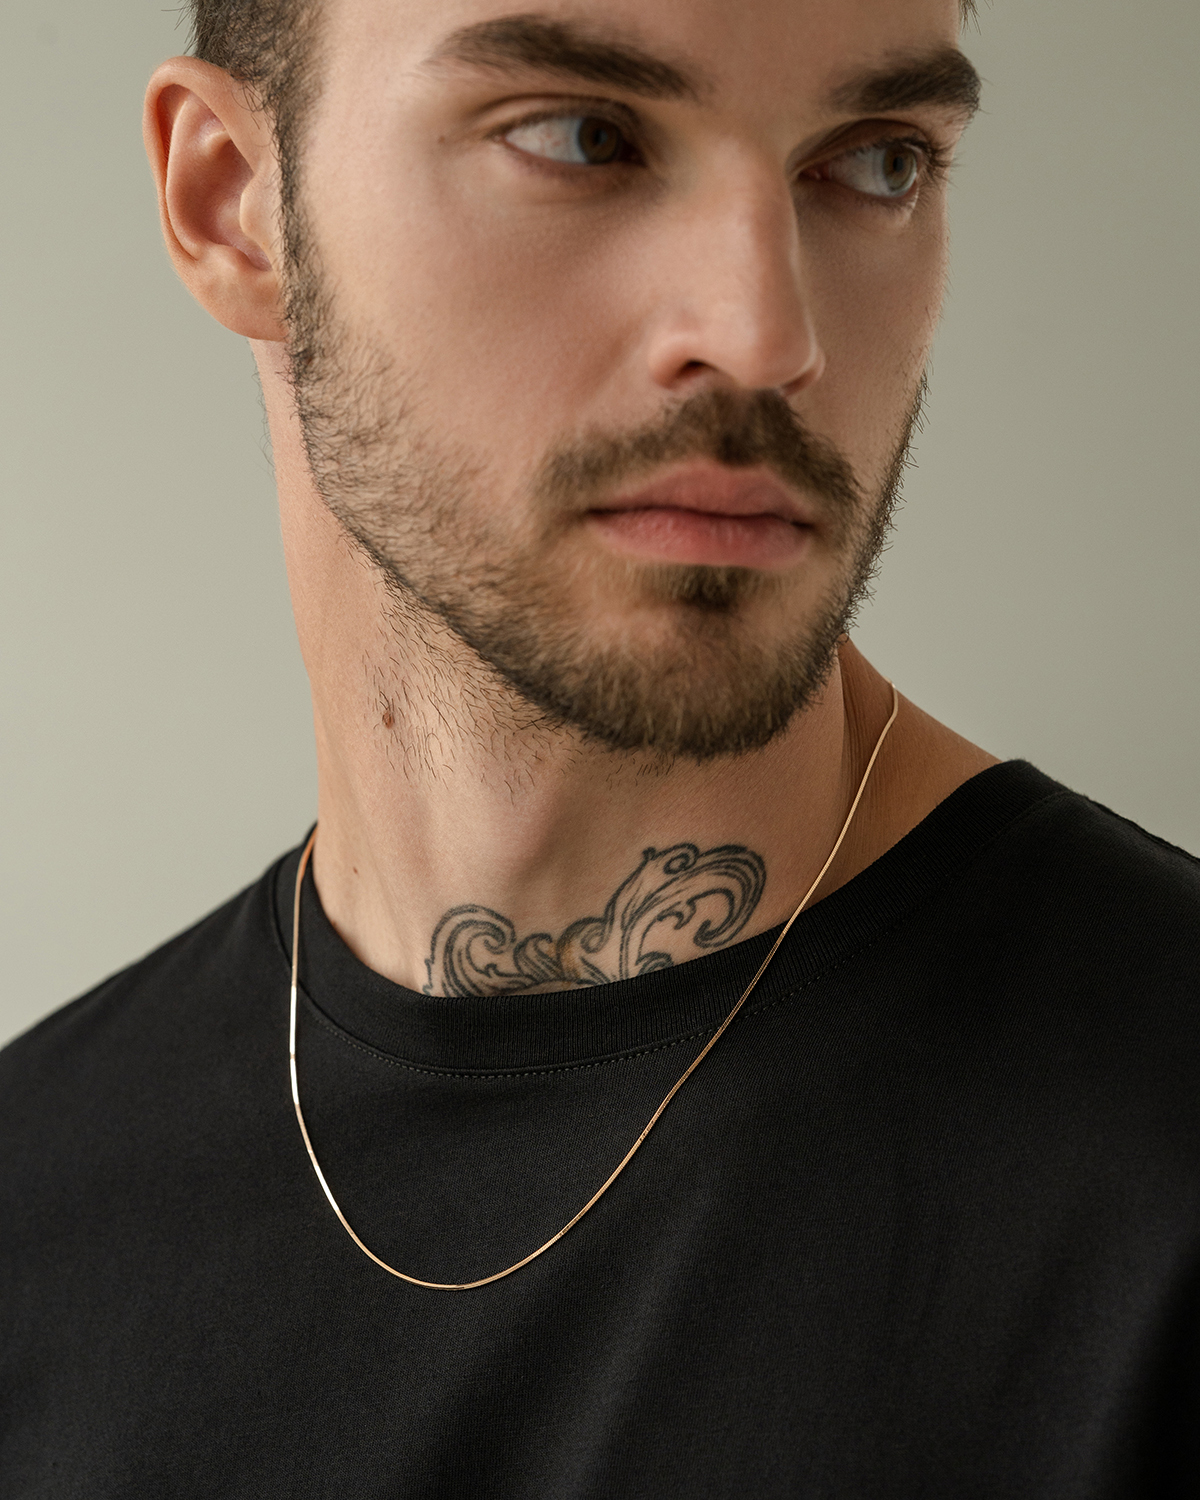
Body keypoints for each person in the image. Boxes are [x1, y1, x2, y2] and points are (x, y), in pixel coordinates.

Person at [1, 0, 1197, 1492]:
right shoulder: (34, 1214)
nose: (768, 338)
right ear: (234, 202)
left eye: (877, 159)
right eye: (585, 137)